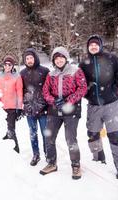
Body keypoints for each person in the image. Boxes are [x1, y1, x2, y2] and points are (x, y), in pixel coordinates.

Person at [79, 35, 118, 179]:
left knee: (114, 136)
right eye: (91, 45)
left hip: (111, 104)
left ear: (100, 45)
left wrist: (115, 89)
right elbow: (79, 83)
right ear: (88, 47)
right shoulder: (84, 63)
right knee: (93, 134)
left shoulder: (111, 58)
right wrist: (87, 94)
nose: (93, 47)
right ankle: (99, 158)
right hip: (94, 106)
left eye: (96, 44)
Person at [40, 46, 87, 180]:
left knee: (70, 139)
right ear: (53, 61)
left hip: (71, 109)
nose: (59, 60)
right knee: (49, 137)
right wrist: (54, 101)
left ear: (65, 58)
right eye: (56, 58)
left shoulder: (75, 70)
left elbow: (82, 88)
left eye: (61, 57)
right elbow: (45, 91)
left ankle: (76, 165)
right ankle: (51, 163)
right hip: (54, 110)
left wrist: (68, 100)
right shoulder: (50, 74)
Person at [20, 48, 50, 166]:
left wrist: (44, 104)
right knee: (33, 133)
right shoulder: (22, 73)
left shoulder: (44, 71)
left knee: (45, 133)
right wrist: (25, 104)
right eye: (27, 58)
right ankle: (36, 154)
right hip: (29, 109)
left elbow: (48, 89)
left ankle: (48, 153)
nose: (29, 60)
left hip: (43, 108)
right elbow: (21, 90)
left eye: (31, 58)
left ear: (35, 58)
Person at [0, 55, 23, 153]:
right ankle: (4, 151)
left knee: (11, 129)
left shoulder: (17, 76)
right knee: (1, 129)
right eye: (5, 64)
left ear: (12, 66)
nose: (7, 66)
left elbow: (19, 92)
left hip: (11, 107)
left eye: (9, 64)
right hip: (0, 107)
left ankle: (16, 149)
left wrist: (19, 108)